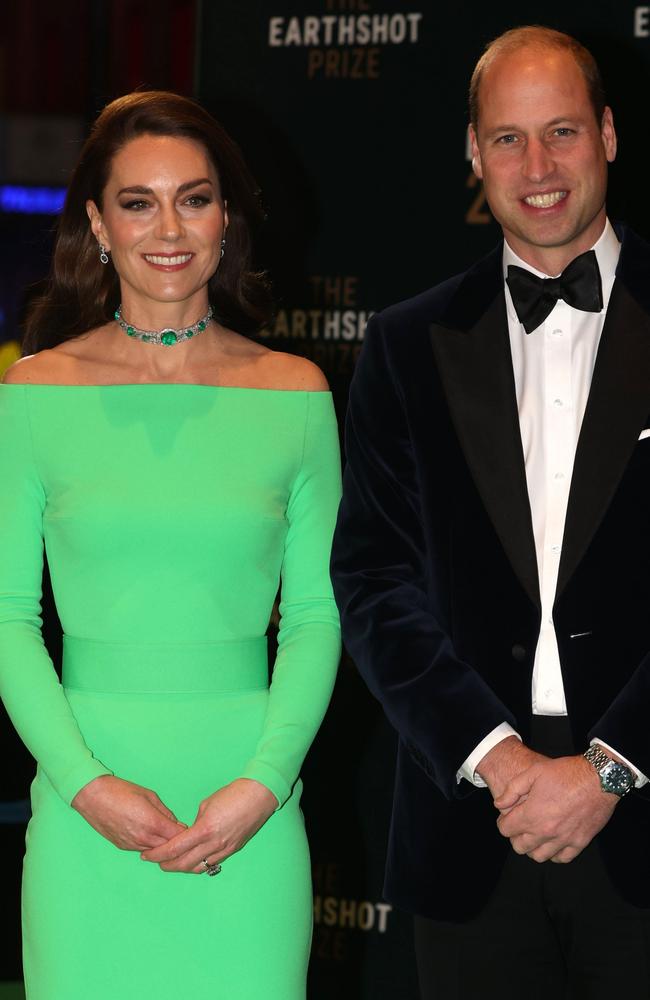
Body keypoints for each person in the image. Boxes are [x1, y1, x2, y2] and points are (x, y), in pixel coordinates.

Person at [331, 25, 650, 999]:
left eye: (558, 131)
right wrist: (499, 759)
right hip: (473, 821)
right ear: (471, 153)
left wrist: (606, 767)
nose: (536, 165)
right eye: (506, 139)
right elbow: (375, 580)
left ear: (605, 133)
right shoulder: (402, 342)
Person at [0, 90, 341, 1000]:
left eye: (194, 197)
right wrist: (85, 786)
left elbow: (314, 615)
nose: (169, 227)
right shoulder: (32, 395)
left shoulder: (297, 394)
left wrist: (262, 787)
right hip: (83, 817)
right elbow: (6, 619)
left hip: (251, 813)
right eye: (138, 201)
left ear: (226, 216)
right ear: (97, 224)